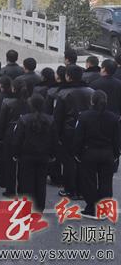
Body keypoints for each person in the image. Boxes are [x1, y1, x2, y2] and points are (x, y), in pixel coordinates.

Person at [75, 91, 120, 219]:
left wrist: (77, 152)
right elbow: (117, 139)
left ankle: (91, 208)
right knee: (106, 181)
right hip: (108, 153)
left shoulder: (83, 116)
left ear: (92, 101)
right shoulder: (114, 117)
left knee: (89, 181)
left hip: (89, 152)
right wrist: (116, 154)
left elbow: (78, 137)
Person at [53, 65, 94, 200]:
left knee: (69, 161)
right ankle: (83, 189)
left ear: (68, 76)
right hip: (87, 129)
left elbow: (58, 117)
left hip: (68, 131)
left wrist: (56, 135)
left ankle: (70, 189)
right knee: (84, 161)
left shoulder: (63, 93)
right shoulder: (91, 91)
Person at [13, 94, 56, 212]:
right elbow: (54, 139)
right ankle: (39, 207)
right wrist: (52, 155)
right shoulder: (50, 119)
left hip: (26, 156)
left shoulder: (24, 119)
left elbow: (18, 139)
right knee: (41, 183)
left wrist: (15, 154)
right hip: (43, 156)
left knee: (26, 182)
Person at [0, 79, 30, 197]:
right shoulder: (29, 102)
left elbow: (1, 122)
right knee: (23, 164)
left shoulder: (7, 102)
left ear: (13, 88)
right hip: (26, 134)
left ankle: (10, 189)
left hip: (10, 133)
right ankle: (23, 189)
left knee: (9, 164)